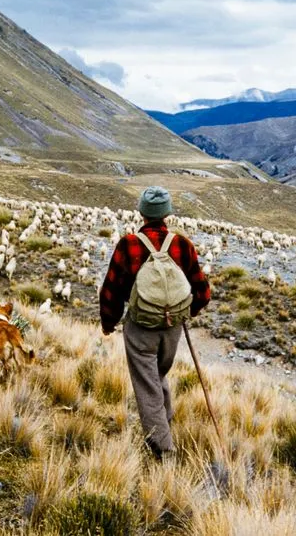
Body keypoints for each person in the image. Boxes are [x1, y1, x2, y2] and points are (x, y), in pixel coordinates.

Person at [99, 186, 211, 459]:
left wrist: (108, 322)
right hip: (172, 329)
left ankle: (163, 449)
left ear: (142, 212)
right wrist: (187, 312)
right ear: (167, 214)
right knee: (157, 376)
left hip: (141, 328)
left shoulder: (128, 244)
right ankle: (165, 423)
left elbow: (111, 290)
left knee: (147, 384)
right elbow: (203, 292)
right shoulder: (182, 244)